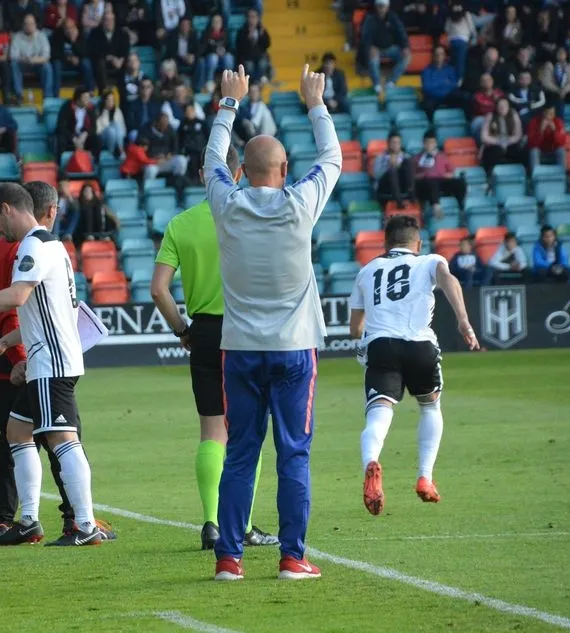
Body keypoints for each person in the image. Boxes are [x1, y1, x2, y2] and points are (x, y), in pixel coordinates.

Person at [203, 65, 342, 581]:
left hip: (240, 349)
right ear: (285, 169)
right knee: (293, 456)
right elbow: (332, 157)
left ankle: (229, 558)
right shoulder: (301, 203)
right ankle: (291, 557)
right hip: (294, 349)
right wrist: (315, 103)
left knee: (240, 454)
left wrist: (229, 103)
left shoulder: (227, 203)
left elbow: (212, 159)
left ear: (245, 171)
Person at [0, 183, 104, 546]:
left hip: (50, 361)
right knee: (17, 431)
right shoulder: (53, 246)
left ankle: (85, 525)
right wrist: (3, 342)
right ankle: (29, 521)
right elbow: (40, 313)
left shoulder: (33, 246)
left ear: (8, 209)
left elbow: (17, 296)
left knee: (62, 439)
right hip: (50, 356)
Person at [151, 147, 279, 551]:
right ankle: (242, 525)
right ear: (239, 172)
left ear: (202, 174)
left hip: (205, 332)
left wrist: (181, 330)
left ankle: (211, 523)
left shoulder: (181, 224)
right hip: (247, 329)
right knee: (248, 433)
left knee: (211, 430)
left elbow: (158, 290)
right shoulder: (253, 216)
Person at [349, 215, 479, 518]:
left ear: (385, 243)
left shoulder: (366, 271)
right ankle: (425, 477)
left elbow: (355, 329)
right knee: (430, 407)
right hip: (420, 345)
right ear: (418, 243)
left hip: (381, 346)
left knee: (379, 412)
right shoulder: (430, 261)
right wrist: (463, 320)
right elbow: (448, 279)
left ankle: (371, 462)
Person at [413, 131, 466, 217]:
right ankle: (436, 206)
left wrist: (446, 175)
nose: (430, 145)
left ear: (436, 143)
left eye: (432, 142)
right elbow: (412, 176)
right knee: (432, 182)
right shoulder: (417, 158)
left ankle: (461, 208)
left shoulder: (442, 156)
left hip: (441, 180)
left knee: (460, 182)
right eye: (427, 142)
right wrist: (424, 175)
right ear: (423, 143)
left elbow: (451, 172)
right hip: (425, 183)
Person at [374, 132, 415, 207]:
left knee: (408, 162)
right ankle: (399, 201)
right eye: (394, 142)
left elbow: (411, 174)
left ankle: (412, 193)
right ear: (388, 143)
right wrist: (389, 166)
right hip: (386, 187)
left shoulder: (406, 156)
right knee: (392, 171)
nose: (396, 145)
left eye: (398, 143)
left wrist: (399, 166)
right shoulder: (380, 157)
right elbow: (376, 175)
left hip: (401, 185)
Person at [527, 104, 567, 171]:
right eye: (548, 113)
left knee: (561, 150)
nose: (550, 116)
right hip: (540, 150)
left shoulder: (558, 121)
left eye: (552, 113)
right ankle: (536, 174)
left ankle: (562, 173)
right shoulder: (534, 122)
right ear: (543, 113)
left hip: (553, 149)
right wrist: (541, 131)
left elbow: (562, 142)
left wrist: (555, 131)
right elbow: (531, 143)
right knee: (534, 151)